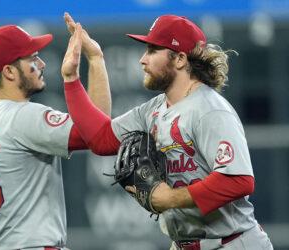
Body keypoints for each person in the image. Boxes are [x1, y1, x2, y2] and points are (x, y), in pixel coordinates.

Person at [61, 14, 274, 249]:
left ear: (180, 59)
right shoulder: (153, 109)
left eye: (153, 51)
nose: (143, 59)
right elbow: (100, 139)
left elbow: (239, 181)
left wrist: (170, 198)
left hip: (232, 243)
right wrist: (78, 73)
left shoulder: (210, 109)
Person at [0, 13, 111, 250]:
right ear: (9, 72)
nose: (41, 64)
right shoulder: (22, 117)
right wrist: (96, 59)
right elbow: (98, 133)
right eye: (33, 58)